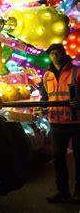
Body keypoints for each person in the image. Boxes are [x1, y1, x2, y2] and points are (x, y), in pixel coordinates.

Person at [43, 44, 80, 203]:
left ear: (64, 55)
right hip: (56, 123)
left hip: (77, 122)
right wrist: (43, 109)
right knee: (58, 158)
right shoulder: (47, 75)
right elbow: (45, 96)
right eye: (52, 54)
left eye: (58, 53)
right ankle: (62, 191)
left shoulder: (77, 72)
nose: (55, 56)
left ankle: (79, 191)